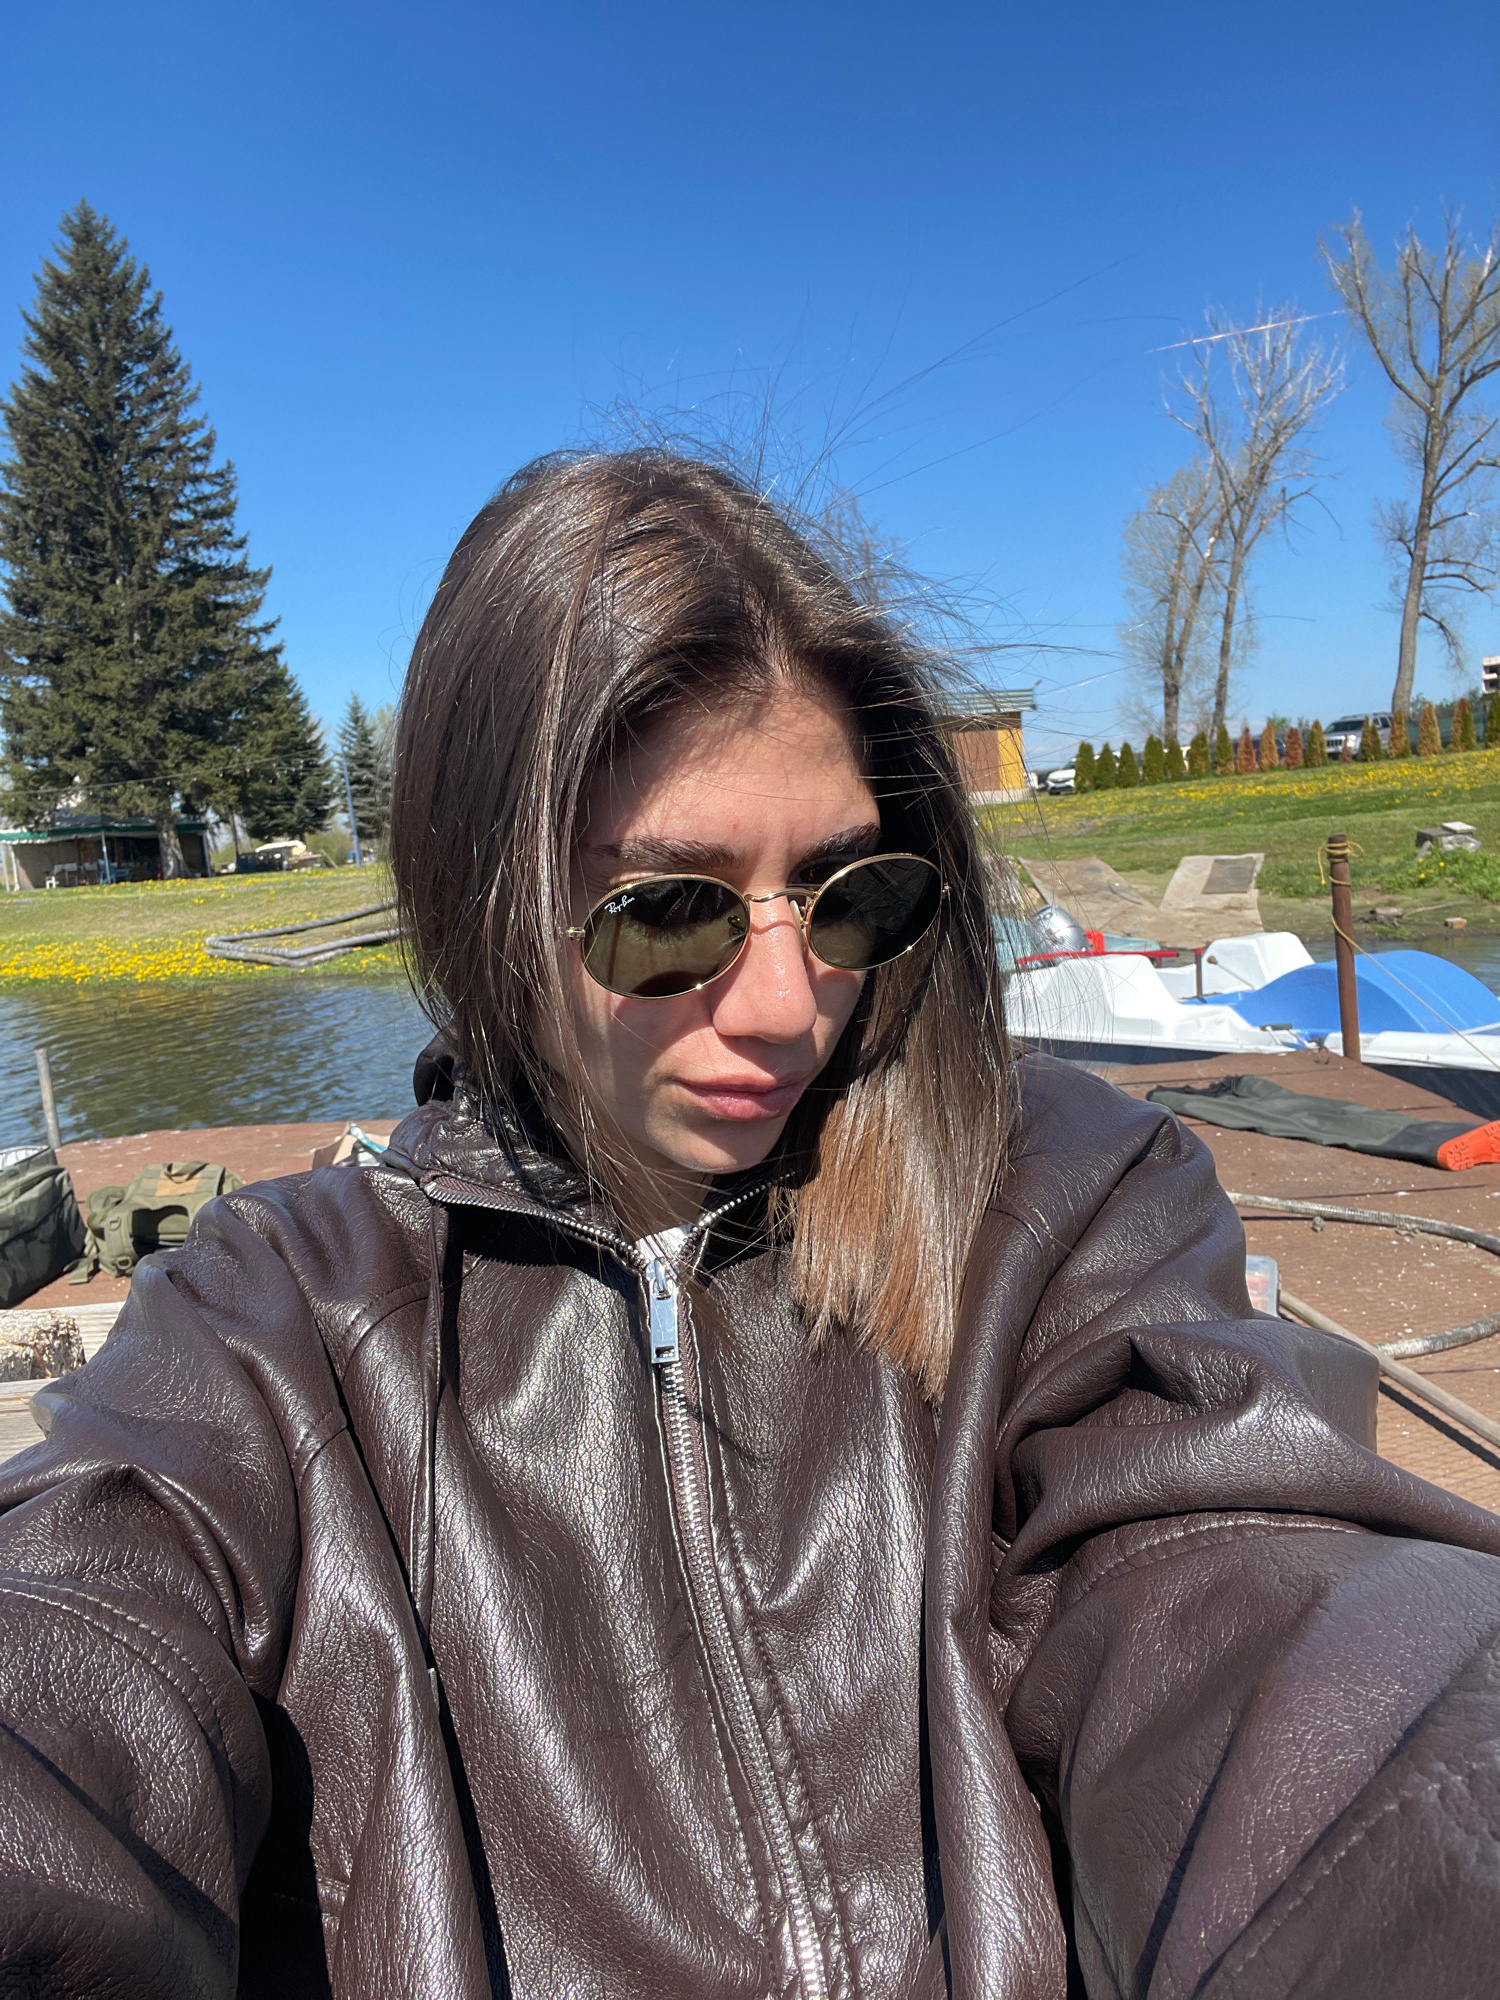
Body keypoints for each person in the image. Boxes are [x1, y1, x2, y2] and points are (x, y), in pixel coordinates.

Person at [2, 452, 1498, 2000]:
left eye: (849, 894)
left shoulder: (1063, 1209)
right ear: (486, 899)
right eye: (670, 909)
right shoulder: (271, 1327)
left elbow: (1262, 1605)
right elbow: (72, 1649)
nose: (790, 1007)